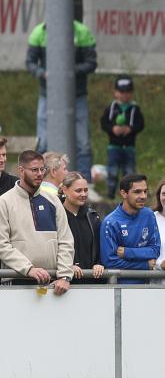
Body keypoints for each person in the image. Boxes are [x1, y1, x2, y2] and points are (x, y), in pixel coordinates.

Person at [26, 20, 98, 180]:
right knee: (42, 140)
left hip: (77, 94)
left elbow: (91, 63)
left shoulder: (81, 32)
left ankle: (85, 181)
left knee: (83, 141)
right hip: (48, 94)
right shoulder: (39, 32)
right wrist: (42, 73)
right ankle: (39, 179)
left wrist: (70, 71)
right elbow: (30, 62)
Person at [0, 150, 74, 295]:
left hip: (53, 284)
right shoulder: (4, 202)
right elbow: (2, 245)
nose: (40, 173)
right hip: (16, 283)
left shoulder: (54, 200)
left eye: (42, 169)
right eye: (34, 170)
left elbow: (66, 240)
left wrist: (65, 275)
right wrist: (28, 269)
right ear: (21, 170)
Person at [99, 174, 161, 282]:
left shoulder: (149, 215)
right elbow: (110, 261)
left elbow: (155, 250)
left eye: (145, 191)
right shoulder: (110, 222)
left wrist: (127, 252)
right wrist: (145, 264)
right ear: (123, 193)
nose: (143, 196)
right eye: (137, 192)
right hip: (120, 288)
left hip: (147, 287)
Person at [99, 76, 145, 200]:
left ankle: (128, 194)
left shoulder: (135, 108)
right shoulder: (111, 108)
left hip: (129, 147)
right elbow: (104, 123)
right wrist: (113, 129)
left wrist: (130, 129)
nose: (124, 95)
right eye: (121, 92)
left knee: (129, 171)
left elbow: (140, 124)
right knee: (112, 170)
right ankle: (110, 193)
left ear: (131, 93)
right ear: (115, 93)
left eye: (127, 92)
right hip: (114, 146)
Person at [59, 171, 105, 283]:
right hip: (64, 282)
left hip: (91, 282)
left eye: (86, 190)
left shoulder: (93, 216)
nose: (83, 194)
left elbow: (100, 247)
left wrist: (99, 264)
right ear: (65, 190)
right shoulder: (55, 215)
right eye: (78, 190)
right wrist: (68, 266)